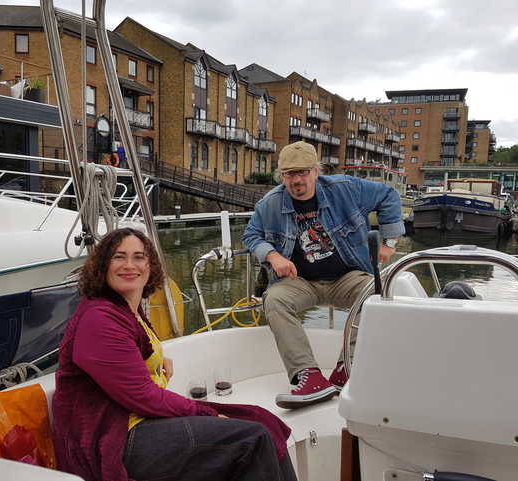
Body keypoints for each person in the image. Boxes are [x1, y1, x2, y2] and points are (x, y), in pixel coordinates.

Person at [52, 227, 297, 481]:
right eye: (118, 257)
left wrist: (153, 361)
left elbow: (128, 357)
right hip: (118, 438)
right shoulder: (99, 320)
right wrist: (207, 414)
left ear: (150, 267)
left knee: (262, 420)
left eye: (138, 257)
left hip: (138, 421)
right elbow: (142, 396)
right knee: (252, 439)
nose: (129, 265)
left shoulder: (126, 311)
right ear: (103, 266)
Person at [242, 141, 404, 409]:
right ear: (282, 177)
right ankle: (309, 375)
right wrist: (273, 256)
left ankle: (346, 369)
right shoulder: (269, 204)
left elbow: (389, 195)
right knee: (274, 300)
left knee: (375, 294)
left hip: (347, 276)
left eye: (303, 172)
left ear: (317, 171)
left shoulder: (346, 189)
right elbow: (251, 235)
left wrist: (389, 244)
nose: (297, 180)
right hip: (300, 281)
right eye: (289, 174)